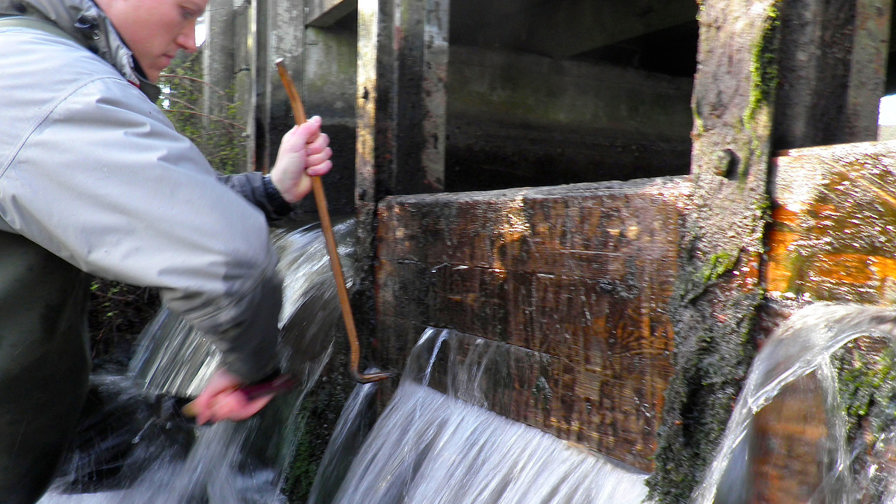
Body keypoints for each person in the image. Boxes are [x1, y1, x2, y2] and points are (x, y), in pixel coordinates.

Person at [0, 0, 332, 502]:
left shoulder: (29, 59)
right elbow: (227, 259)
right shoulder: (51, 84)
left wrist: (270, 192)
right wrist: (250, 372)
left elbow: (128, 197)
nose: (191, 40)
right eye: (184, 11)